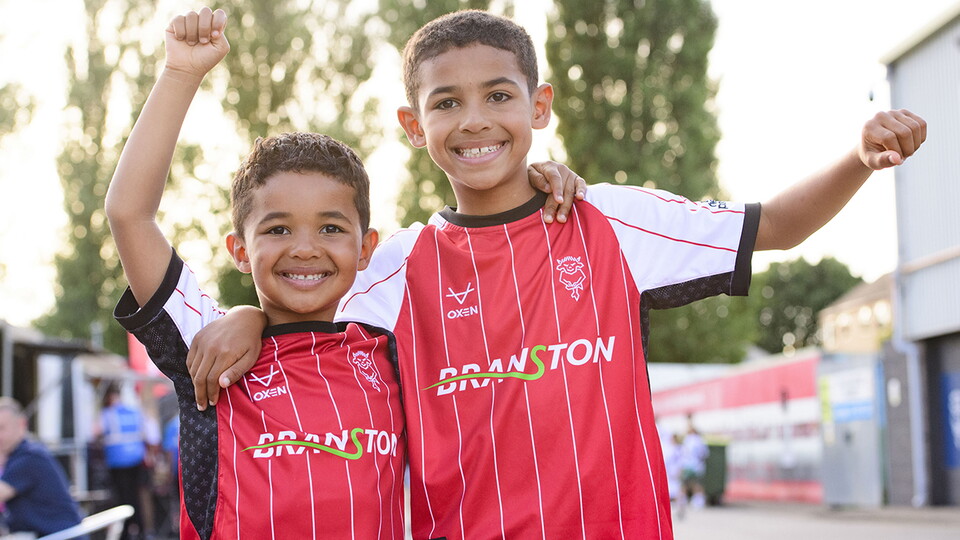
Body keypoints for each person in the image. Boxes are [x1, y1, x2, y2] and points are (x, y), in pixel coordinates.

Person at [187, 9, 927, 539]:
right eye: (448, 102)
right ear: (415, 127)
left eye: (498, 95)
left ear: (538, 106)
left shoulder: (612, 222)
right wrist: (248, 316)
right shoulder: (396, 267)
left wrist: (857, 160)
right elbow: (304, 290)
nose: (475, 119)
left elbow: (774, 227)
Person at [105, 8, 580, 539]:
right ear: (239, 249)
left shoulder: (395, 349)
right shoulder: (207, 347)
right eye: (278, 230)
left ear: (366, 250)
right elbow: (130, 214)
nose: (304, 250)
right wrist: (180, 74)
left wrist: (534, 180)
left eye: (331, 229)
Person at [0, 397, 84, 537]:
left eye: (2, 428)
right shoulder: (22, 454)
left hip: (58, 536)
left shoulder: (29, 457)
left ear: (21, 424)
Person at [98, 386, 149, 540]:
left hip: (117, 462)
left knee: (121, 499)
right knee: (135, 497)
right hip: (136, 459)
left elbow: (94, 431)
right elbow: (148, 433)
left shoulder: (108, 414)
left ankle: (125, 532)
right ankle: (140, 530)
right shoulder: (134, 412)